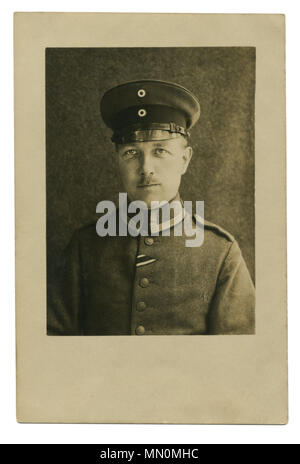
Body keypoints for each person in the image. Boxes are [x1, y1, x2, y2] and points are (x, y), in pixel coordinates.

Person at [47, 79, 255, 336]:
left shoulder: (220, 253)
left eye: (160, 151)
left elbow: (238, 360)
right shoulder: (84, 248)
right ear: (117, 161)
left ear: (184, 160)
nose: (146, 168)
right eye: (131, 153)